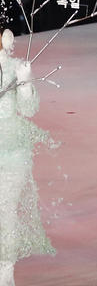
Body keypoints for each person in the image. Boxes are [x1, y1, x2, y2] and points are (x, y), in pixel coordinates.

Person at [0, 29, 54, 286]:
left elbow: (28, 109)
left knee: (6, 211)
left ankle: (5, 274)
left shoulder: (14, 67)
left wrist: (25, 80)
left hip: (11, 149)